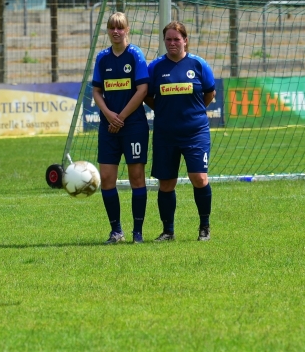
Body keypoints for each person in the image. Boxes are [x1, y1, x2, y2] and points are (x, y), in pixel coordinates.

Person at [144, 21, 216, 242]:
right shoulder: (155, 67)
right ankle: (168, 231)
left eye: (177, 39)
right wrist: (165, 111)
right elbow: (147, 96)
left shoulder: (199, 64)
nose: (172, 43)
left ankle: (204, 227)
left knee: (199, 177)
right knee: (166, 183)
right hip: (165, 134)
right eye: (168, 39)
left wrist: (193, 113)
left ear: (185, 40)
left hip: (195, 132)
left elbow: (210, 93)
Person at [91, 12, 150, 244]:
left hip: (133, 125)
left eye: (120, 28)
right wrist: (109, 115)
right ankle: (116, 231)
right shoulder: (102, 58)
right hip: (108, 126)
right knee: (106, 178)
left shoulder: (135, 55)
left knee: (137, 177)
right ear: (108, 30)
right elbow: (96, 91)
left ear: (127, 30)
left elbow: (142, 89)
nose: (116, 32)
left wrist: (121, 117)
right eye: (112, 28)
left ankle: (137, 232)